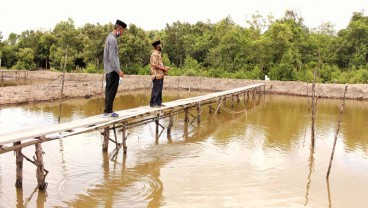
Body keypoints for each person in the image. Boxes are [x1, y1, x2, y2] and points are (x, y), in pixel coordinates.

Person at [103, 19, 127, 118]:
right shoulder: (112, 40)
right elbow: (112, 57)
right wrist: (118, 71)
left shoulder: (109, 38)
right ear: (119, 28)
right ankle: (108, 111)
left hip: (108, 69)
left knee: (108, 90)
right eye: (122, 31)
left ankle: (107, 111)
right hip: (113, 70)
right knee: (111, 91)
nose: (122, 33)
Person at [149, 40, 169, 107]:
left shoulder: (158, 54)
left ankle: (158, 103)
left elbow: (159, 65)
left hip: (160, 75)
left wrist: (164, 69)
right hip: (156, 75)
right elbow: (154, 65)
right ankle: (153, 103)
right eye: (160, 45)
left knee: (159, 90)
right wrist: (163, 69)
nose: (161, 47)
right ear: (157, 47)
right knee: (156, 90)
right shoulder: (154, 54)